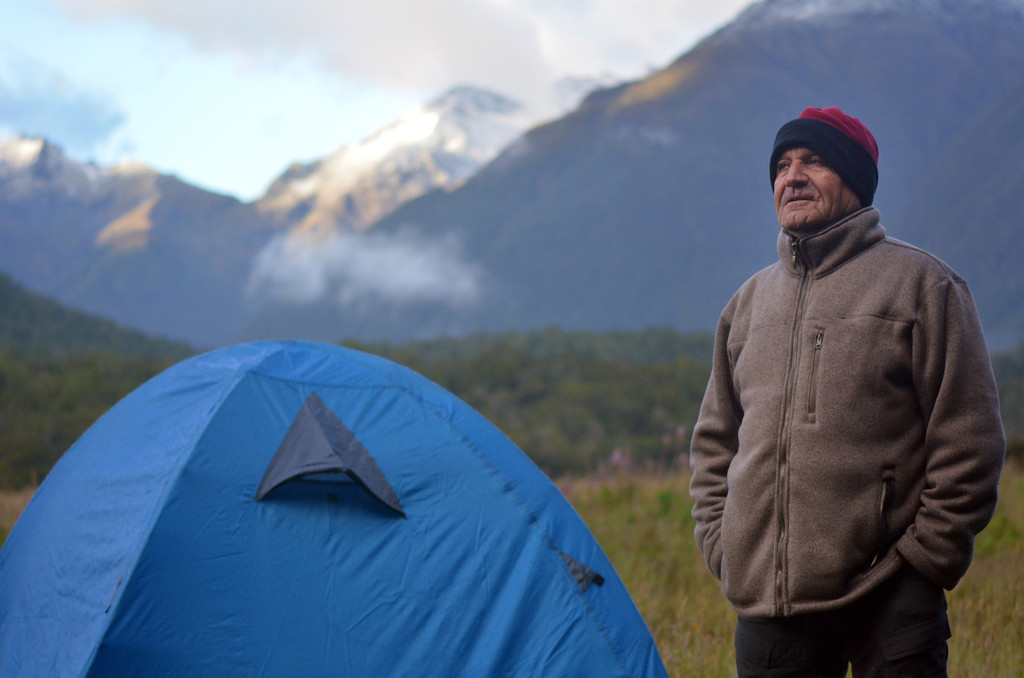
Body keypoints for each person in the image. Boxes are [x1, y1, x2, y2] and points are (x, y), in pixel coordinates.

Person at [688, 106, 1005, 677]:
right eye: (781, 166)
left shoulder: (922, 286)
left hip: (891, 597)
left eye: (813, 161)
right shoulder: (746, 305)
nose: (792, 177)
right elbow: (714, 444)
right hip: (769, 607)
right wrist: (726, 547)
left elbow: (970, 440)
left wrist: (924, 561)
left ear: (854, 178)